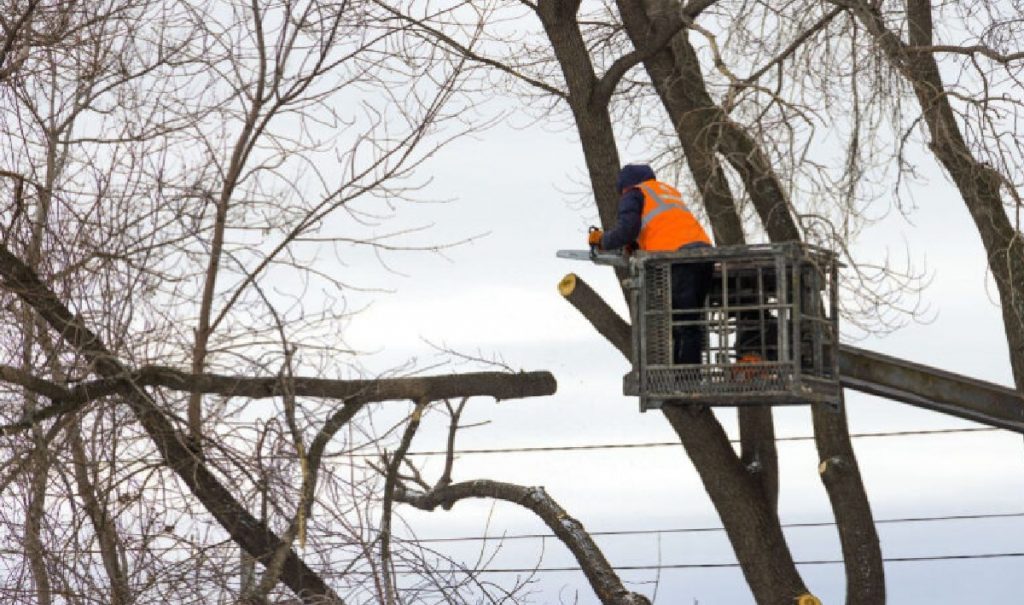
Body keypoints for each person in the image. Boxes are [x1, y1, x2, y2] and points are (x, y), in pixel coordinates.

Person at [588, 164, 715, 364]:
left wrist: (602, 240)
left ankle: (685, 380)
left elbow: (627, 229)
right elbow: (661, 225)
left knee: (681, 323)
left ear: (625, 187)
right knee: (690, 320)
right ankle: (689, 375)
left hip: (679, 259)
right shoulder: (665, 192)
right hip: (705, 254)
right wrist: (636, 244)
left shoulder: (634, 194)